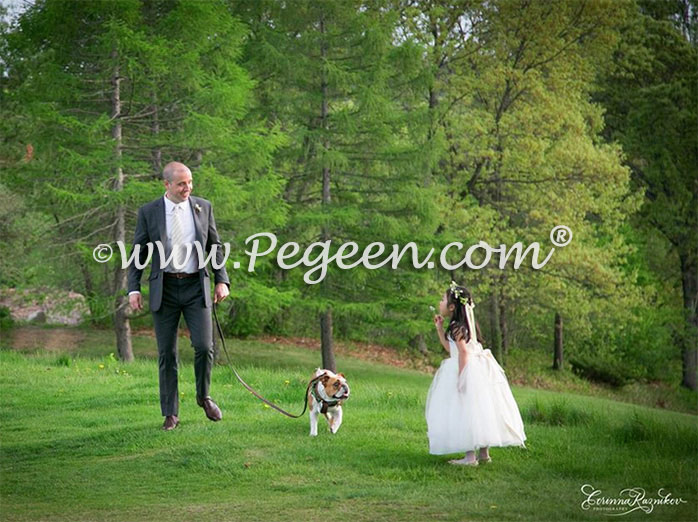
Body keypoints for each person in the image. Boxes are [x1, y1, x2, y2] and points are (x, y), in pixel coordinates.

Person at [127, 161, 230, 431]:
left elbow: (214, 245)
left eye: (190, 182)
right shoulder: (149, 212)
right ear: (167, 185)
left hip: (196, 286)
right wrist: (134, 288)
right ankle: (171, 413)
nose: (188, 188)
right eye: (182, 183)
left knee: (204, 346)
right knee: (166, 353)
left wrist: (222, 280)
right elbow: (138, 252)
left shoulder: (202, 207)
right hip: (166, 289)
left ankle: (203, 397)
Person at [425, 281, 527, 465]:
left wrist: (462, 377)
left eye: (442, 299)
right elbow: (452, 349)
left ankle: (470, 457)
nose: (439, 303)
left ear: (451, 306)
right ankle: (484, 454)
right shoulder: (465, 325)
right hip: (478, 370)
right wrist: (439, 330)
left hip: (466, 369)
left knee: (465, 411)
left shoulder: (456, 326)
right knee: (480, 410)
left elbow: (462, 353)